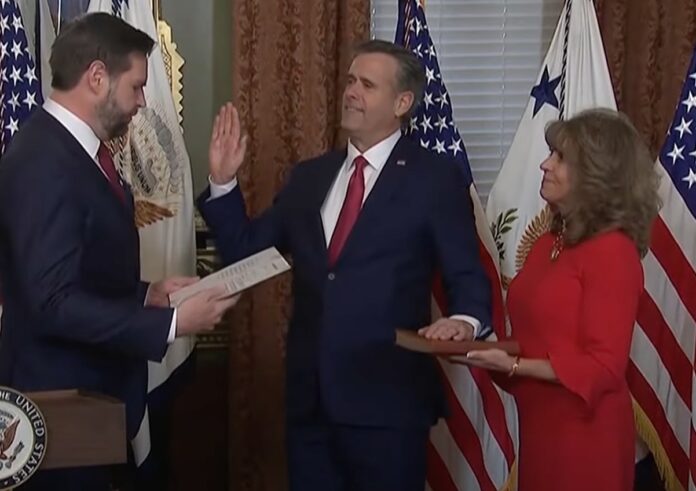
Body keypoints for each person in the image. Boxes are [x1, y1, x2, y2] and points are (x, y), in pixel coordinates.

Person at [198, 40, 492, 491]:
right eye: (350, 80)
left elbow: (466, 274)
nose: (351, 91)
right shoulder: (311, 176)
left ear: (402, 103)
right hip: (310, 405)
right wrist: (222, 183)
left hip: (387, 407)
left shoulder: (433, 178)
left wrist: (466, 321)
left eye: (367, 85)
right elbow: (246, 250)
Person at [0, 13, 239, 490]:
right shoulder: (45, 162)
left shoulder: (74, 150)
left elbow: (77, 272)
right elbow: (51, 303)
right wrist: (172, 323)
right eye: (135, 87)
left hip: (89, 402)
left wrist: (148, 294)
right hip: (56, 409)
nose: (140, 102)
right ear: (96, 78)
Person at [420, 108, 661, 491]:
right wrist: (475, 347)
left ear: (596, 174)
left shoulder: (613, 251)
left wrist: (513, 365)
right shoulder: (549, 243)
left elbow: (603, 366)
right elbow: (538, 342)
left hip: (583, 437)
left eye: (561, 158)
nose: (545, 164)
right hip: (539, 430)